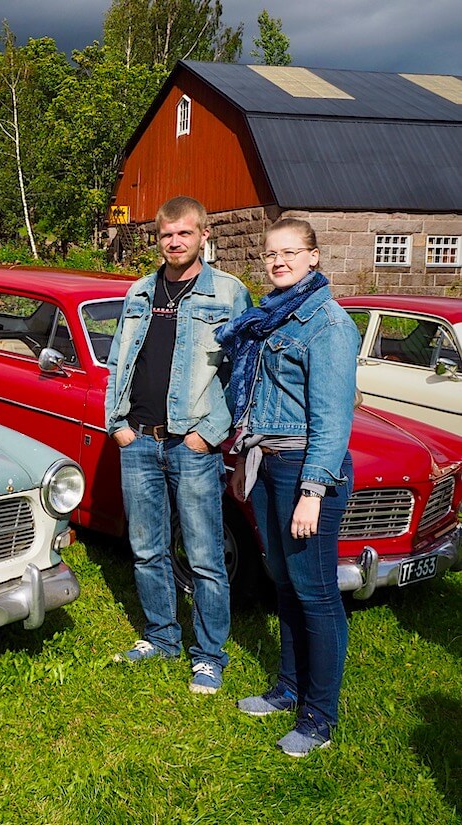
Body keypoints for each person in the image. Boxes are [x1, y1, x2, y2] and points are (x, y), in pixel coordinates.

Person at [215, 217, 360, 756]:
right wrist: (240, 464)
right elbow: (257, 401)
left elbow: (331, 420)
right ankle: (288, 688)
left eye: (291, 253)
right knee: (284, 582)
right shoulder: (272, 319)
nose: (279, 262)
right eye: (272, 253)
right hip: (269, 462)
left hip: (307, 471)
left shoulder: (327, 325)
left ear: (314, 257)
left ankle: (319, 718)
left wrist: (313, 491)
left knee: (316, 593)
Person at [105, 196, 251, 694]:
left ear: (203, 236)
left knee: (204, 554)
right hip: (139, 440)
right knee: (146, 549)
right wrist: (117, 423)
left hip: (191, 445)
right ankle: (162, 636)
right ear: (159, 238)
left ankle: (209, 654)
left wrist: (206, 434)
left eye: (185, 233)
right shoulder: (141, 292)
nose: (174, 241)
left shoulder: (229, 294)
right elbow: (117, 361)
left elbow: (244, 375)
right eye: (167, 234)